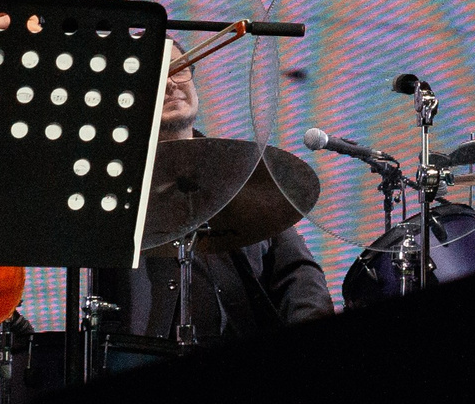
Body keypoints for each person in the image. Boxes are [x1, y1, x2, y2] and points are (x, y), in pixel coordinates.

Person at [88, 65, 333, 341]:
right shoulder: (113, 191)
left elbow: (298, 272)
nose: (171, 83)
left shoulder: (240, 175)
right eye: (156, 74)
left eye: (179, 70)